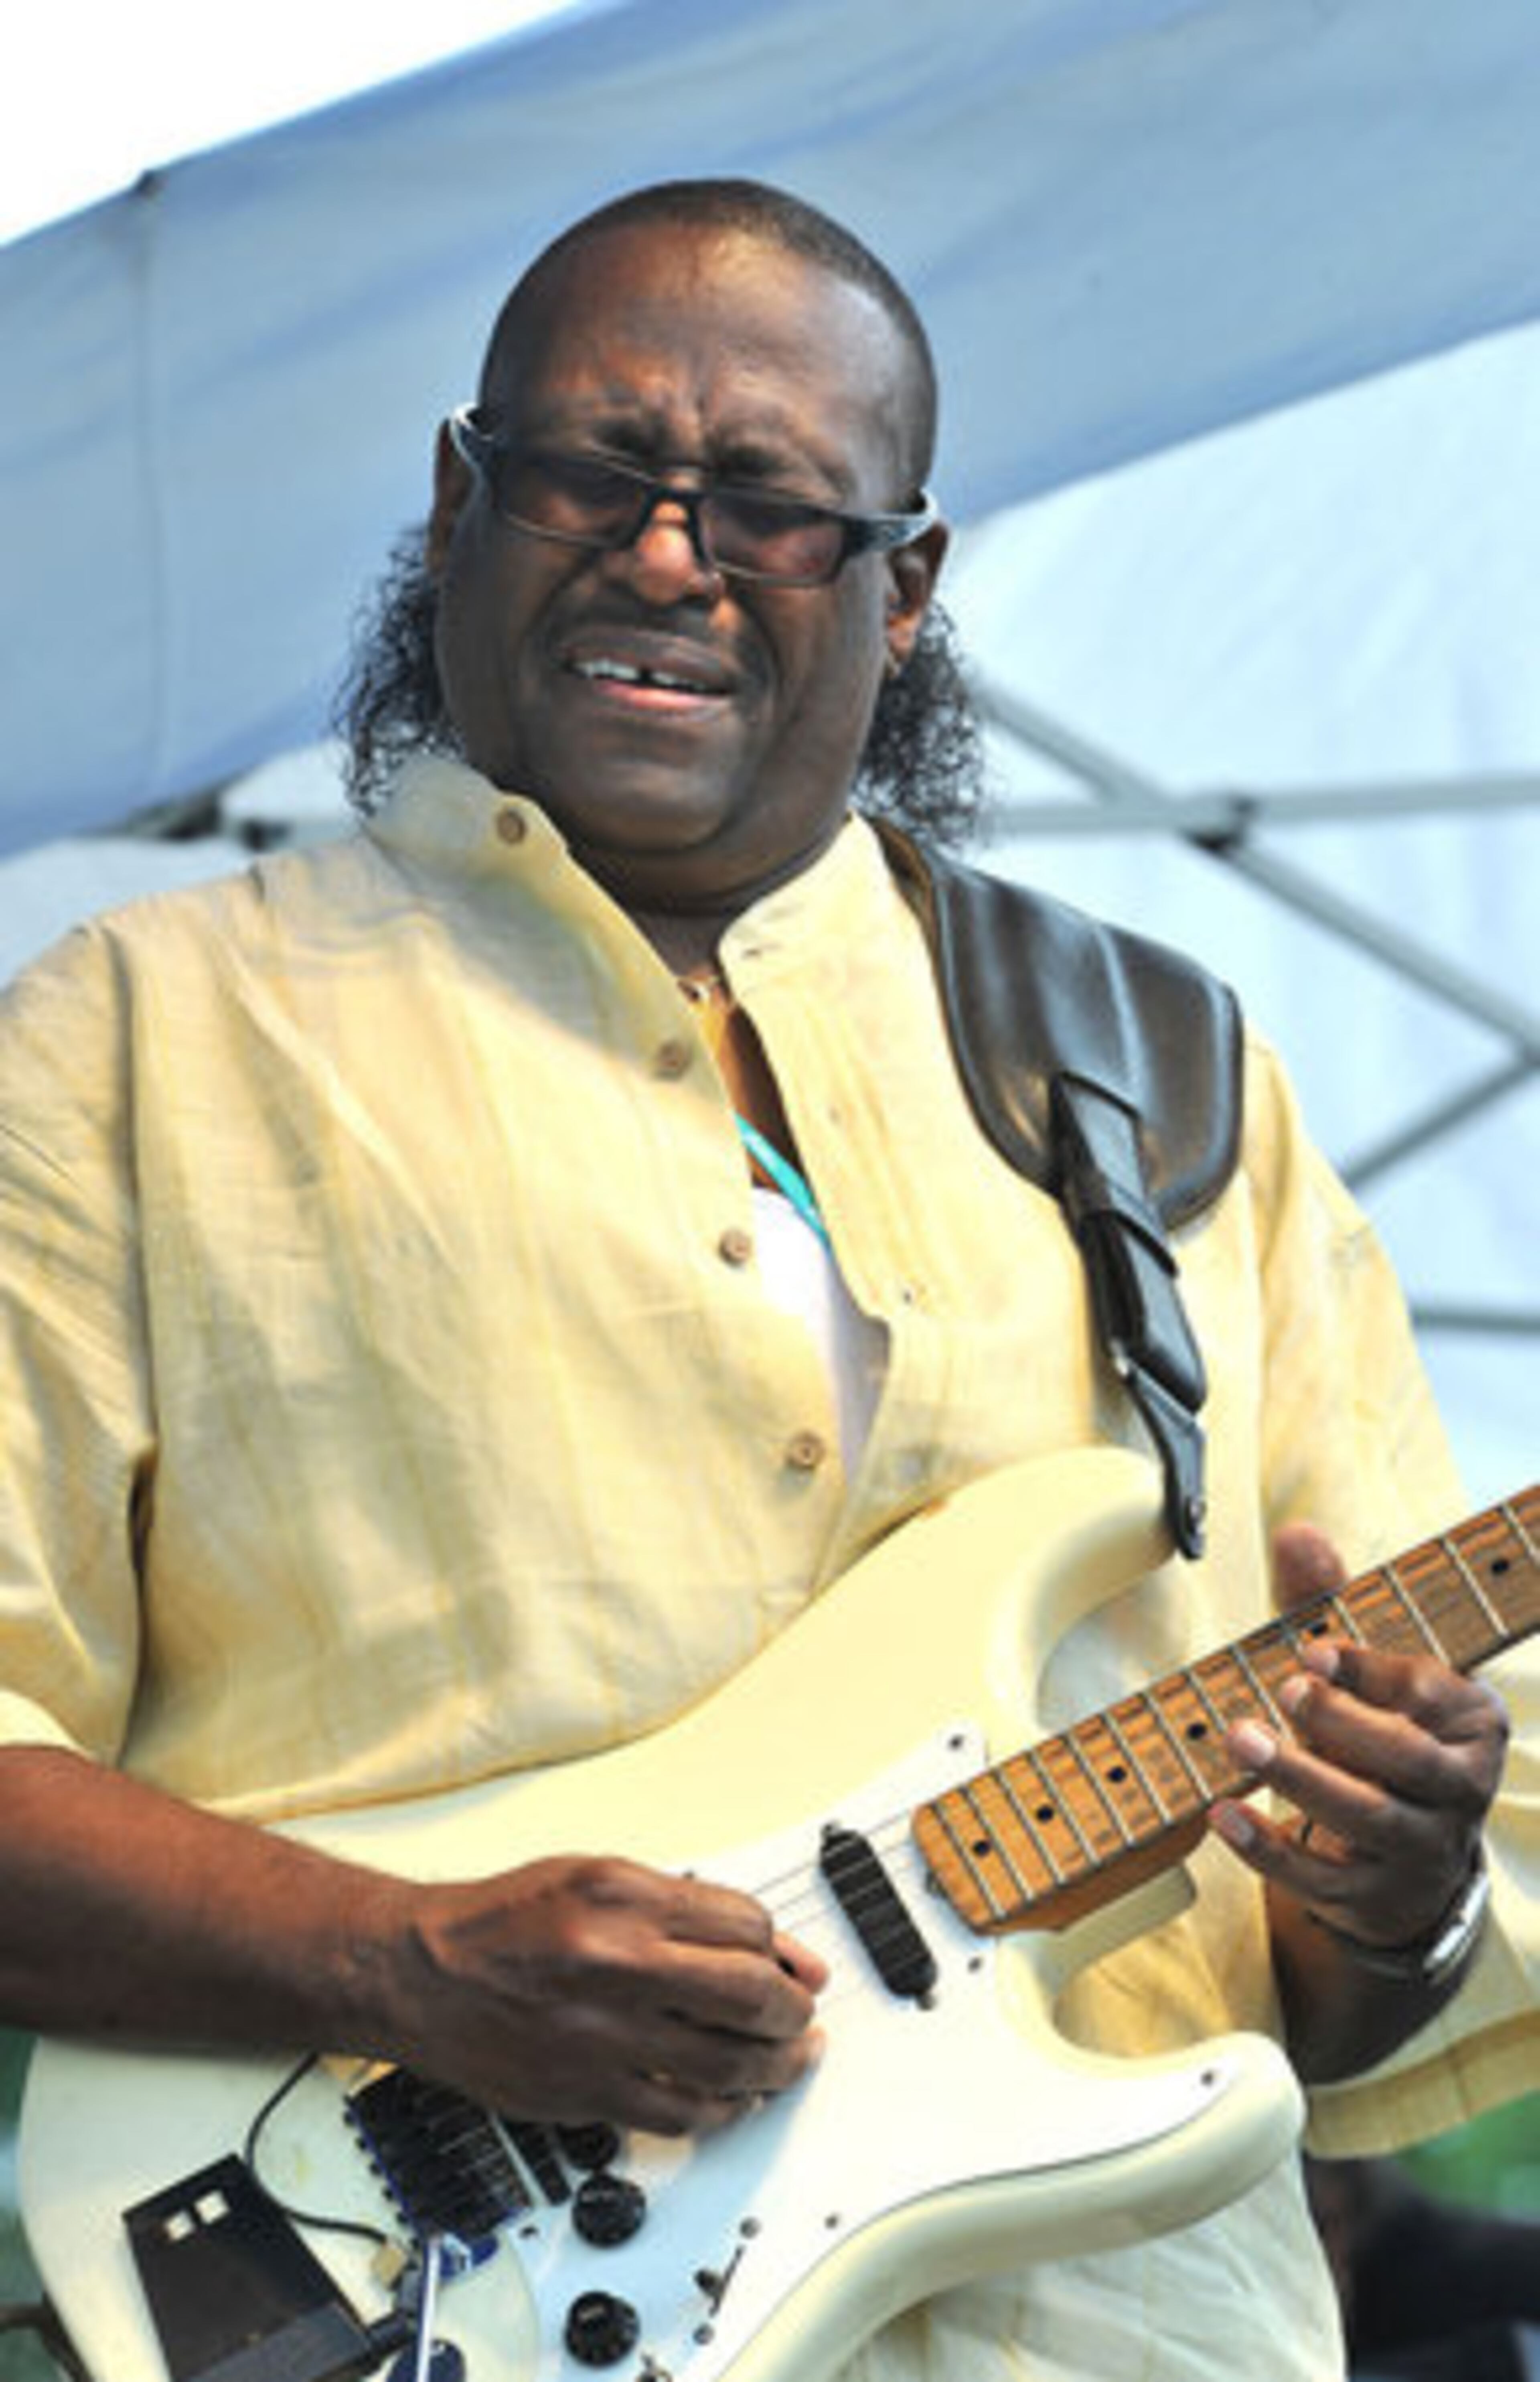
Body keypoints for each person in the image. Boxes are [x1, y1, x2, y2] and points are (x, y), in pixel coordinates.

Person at [0, 177, 1534, 2382]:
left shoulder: (1174, 1071)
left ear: (904, 588)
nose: (665, 557)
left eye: (772, 508)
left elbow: (1363, 1977)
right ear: (455, 503)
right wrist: (399, 1963)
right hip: (425, 2299)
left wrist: (1399, 1885)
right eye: (588, 471)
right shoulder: (133, 1037)